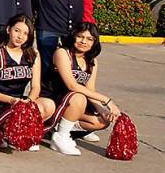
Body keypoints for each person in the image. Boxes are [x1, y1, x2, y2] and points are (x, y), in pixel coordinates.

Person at [43, 23, 118, 156]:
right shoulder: (62, 53)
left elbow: (90, 90)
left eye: (89, 39)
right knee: (78, 96)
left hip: (74, 104)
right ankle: (61, 136)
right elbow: (72, 85)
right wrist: (107, 100)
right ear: (73, 37)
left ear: (95, 42)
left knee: (102, 121)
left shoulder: (92, 60)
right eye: (80, 36)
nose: (84, 41)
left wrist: (102, 110)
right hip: (54, 100)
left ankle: (59, 127)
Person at [0, 15, 51, 150]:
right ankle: (4, 133)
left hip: (19, 102)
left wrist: (28, 102)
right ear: (8, 30)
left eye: (25, 33)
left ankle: (21, 134)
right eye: (17, 31)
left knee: (48, 105)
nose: (20, 36)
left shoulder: (33, 55)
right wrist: (11, 100)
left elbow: (35, 86)